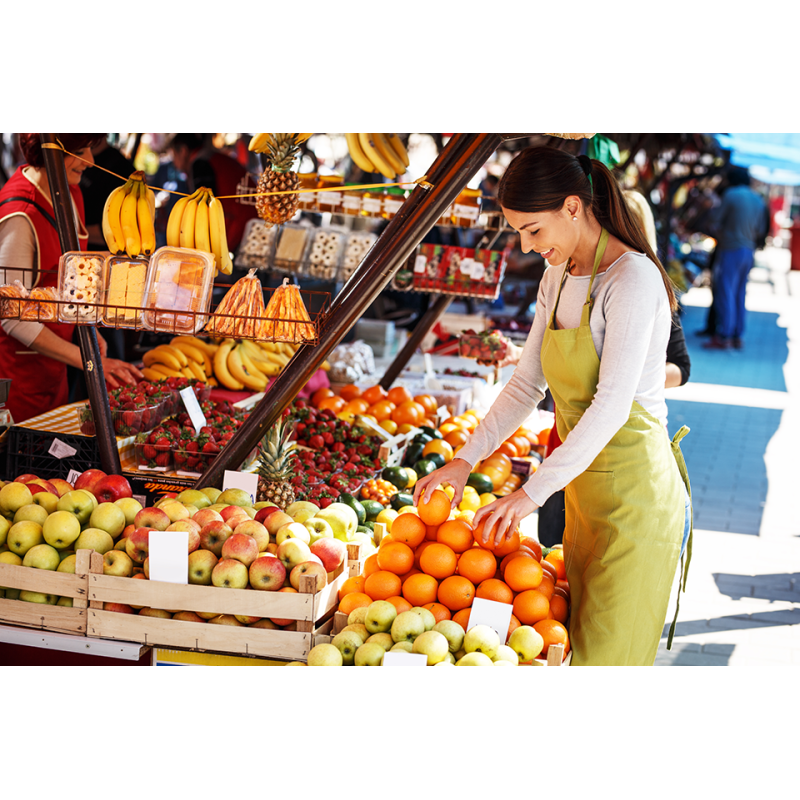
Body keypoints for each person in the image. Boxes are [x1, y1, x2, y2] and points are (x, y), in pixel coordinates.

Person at [413, 147, 691, 666]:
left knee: (608, 661)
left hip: (635, 498)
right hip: (584, 495)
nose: (526, 245)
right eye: (518, 232)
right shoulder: (557, 275)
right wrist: (462, 460)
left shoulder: (630, 280)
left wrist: (530, 493)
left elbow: (610, 406)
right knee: (572, 655)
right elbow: (525, 384)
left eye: (533, 230)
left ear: (571, 207)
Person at [0, 133, 143, 423]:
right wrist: (91, 361)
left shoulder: (67, 192)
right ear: (49, 152)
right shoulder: (20, 215)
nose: (90, 162)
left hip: (55, 371)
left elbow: (71, 282)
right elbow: (10, 316)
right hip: (18, 382)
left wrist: (91, 333)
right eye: (81, 150)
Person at [703, 166, 770, 350]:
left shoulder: (731, 194)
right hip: (748, 251)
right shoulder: (757, 198)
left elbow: (715, 221)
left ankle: (724, 335)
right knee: (740, 293)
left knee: (726, 292)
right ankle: (737, 335)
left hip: (730, 249)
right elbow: (761, 229)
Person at [166, 133, 256, 254]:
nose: (173, 162)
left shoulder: (201, 163)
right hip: (246, 221)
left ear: (183, 151)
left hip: (238, 225)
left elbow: (204, 208)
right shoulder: (212, 158)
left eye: (173, 155)